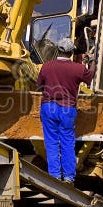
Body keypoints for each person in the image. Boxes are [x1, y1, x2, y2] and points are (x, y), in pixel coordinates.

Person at [36, 37, 96, 183]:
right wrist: (92, 61)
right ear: (71, 53)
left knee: (51, 142)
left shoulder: (46, 66)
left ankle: (55, 176)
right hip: (67, 108)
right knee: (67, 143)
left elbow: (39, 86)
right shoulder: (78, 68)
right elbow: (90, 76)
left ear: (59, 50)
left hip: (48, 107)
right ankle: (69, 177)